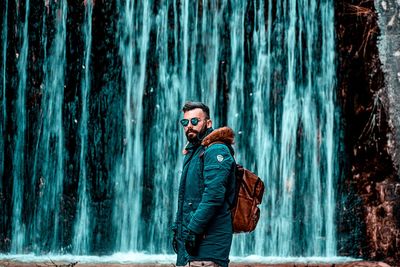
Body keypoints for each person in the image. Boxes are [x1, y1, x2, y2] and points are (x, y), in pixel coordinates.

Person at [172, 101, 236, 267]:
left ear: (208, 123)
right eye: (185, 122)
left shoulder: (216, 150)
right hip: (190, 241)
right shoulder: (194, 152)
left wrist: (193, 230)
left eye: (195, 121)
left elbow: (213, 196)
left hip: (208, 241)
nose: (189, 126)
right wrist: (177, 230)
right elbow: (187, 198)